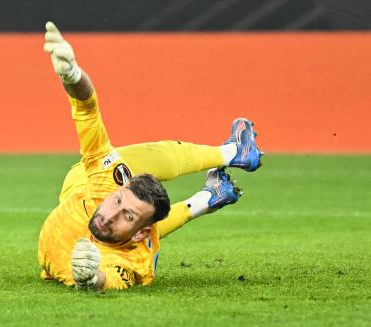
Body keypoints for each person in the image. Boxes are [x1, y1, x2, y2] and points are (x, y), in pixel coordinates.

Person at [38, 22, 263, 291]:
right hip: (82, 193)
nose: (111, 215)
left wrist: (88, 278)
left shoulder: (128, 261)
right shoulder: (106, 187)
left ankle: (209, 196)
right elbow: (87, 109)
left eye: (127, 216)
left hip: (92, 211)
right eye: (118, 201)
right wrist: (72, 75)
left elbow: (105, 280)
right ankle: (232, 156)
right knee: (116, 175)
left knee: (139, 214)